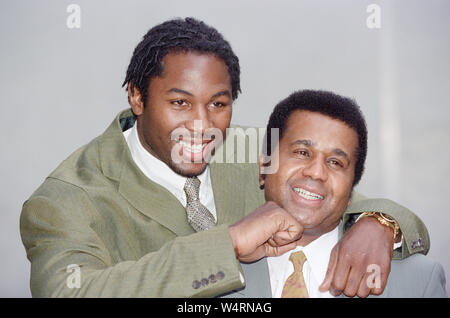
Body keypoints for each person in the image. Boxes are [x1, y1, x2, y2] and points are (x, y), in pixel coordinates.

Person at [20, 18, 429, 297]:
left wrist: (379, 224)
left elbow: (330, 192)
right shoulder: (65, 200)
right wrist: (228, 244)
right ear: (137, 97)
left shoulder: (248, 148)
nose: (202, 126)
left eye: (218, 103)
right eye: (180, 102)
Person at [224, 90, 446, 298]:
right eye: (302, 152)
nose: (317, 172)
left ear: (351, 190)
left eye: (335, 162)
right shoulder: (212, 271)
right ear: (264, 168)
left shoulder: (418, 282)